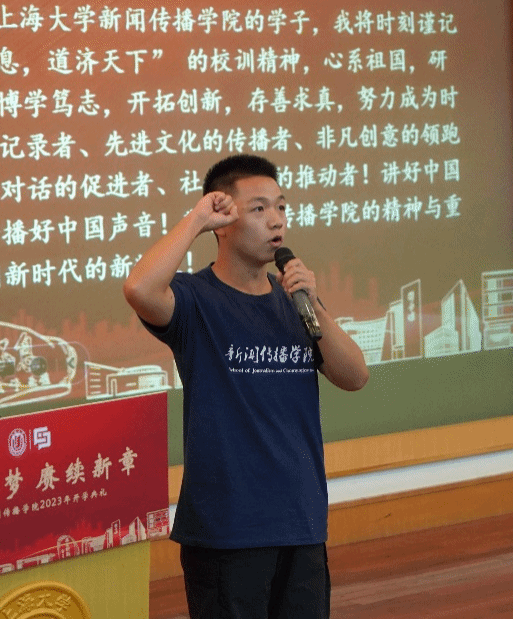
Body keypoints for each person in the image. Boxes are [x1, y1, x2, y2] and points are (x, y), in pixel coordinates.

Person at [122, 154, 369, 619]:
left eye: (281, 207)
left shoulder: (295, 303)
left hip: (300, 521)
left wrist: (312, 302)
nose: (276, 220)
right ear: (223, 222)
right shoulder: (195, 300)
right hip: (227, 529)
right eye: (258, 209)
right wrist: (196, 218)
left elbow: (355, 376)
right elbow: (139, 289)